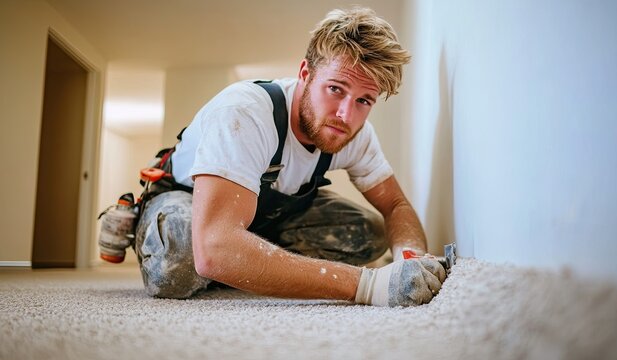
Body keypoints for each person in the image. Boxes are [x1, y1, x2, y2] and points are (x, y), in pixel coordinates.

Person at [133, 7, 446, 307]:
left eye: (364, 100)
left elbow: (395, 205)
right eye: (336, 89)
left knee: (368, 234)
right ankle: (160, 232)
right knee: (180, 263)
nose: (345, 115)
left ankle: (247, 254)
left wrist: (411, 259)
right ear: (305, 73)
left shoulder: (355, 133)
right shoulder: (245, 113)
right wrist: (365, 285)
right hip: (188, 199)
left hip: (263, 218)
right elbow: (214, 248)